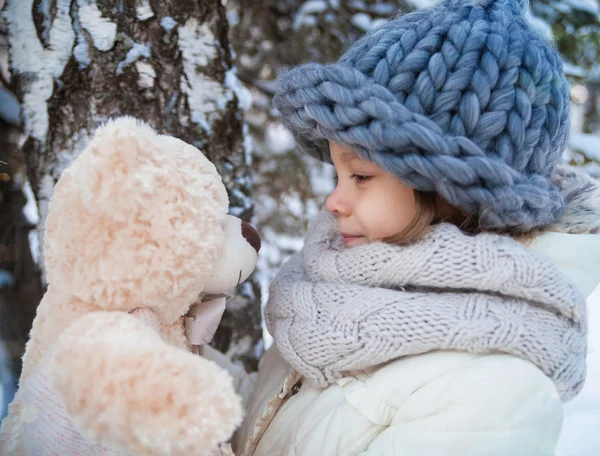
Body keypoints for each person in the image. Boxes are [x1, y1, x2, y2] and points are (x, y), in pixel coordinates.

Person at [233, 0, 600, 454]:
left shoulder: (492, 389)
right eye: (337, 174)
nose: (334, 201)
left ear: (455, 189)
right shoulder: (326, 298)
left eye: (361, 176)